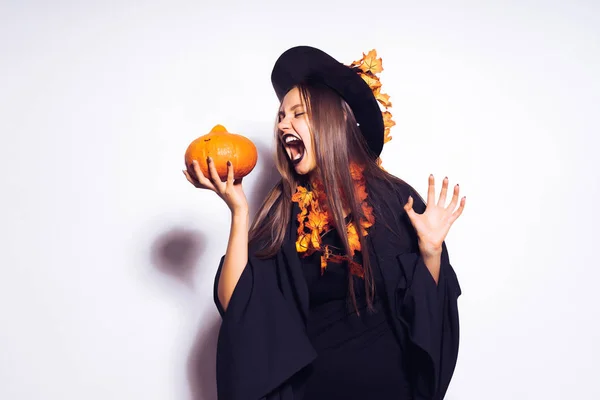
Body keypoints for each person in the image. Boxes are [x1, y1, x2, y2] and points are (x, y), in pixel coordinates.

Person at [183, 46, 465, 400]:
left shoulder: (396, 200)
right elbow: (238, 304)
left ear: (332, 121)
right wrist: (239, 212)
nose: (283, 124)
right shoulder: (284, 211)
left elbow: (428, 323)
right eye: (281, 116)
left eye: (298, 113)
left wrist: (431, 252)